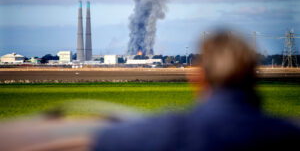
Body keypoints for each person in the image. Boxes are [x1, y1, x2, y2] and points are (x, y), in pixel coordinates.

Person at [92, 31, 300, 151]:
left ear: (197, 78)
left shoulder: (171, 130)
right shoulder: (286, 134)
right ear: (253, 77)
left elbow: (106, 139)